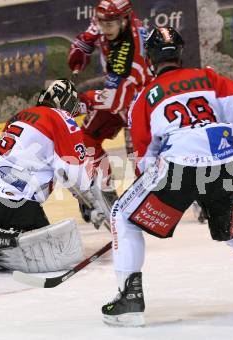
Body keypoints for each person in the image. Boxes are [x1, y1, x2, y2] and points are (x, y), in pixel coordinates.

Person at [101, 27, 233, 327]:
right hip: (227, 164)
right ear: (180, 53)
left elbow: (144, 157)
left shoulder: (144, 98)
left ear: (151, 58)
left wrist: (154, 191)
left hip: (179, 167)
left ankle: (129, 298)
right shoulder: (207, 76)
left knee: (122, 215)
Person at [0, 79, 108, 275]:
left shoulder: (19, 116)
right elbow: (76, 175)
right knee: (49, 252)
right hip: (11, 203)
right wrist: (90, 202)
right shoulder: (62, 119)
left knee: (23, 222)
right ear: (68, 104)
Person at [68, 0, 152, 205]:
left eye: (109, 25)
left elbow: (115, 101)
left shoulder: (131, 51)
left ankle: (187, 197)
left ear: (124, 21)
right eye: (102, 23)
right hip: (117, 88)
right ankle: (106, 191)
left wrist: (82, 99)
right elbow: (93, 30)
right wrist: (82, 46)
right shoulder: (110, 20)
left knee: (140, 159)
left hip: (141, 99)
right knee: (85, 138)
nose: (105, 29)